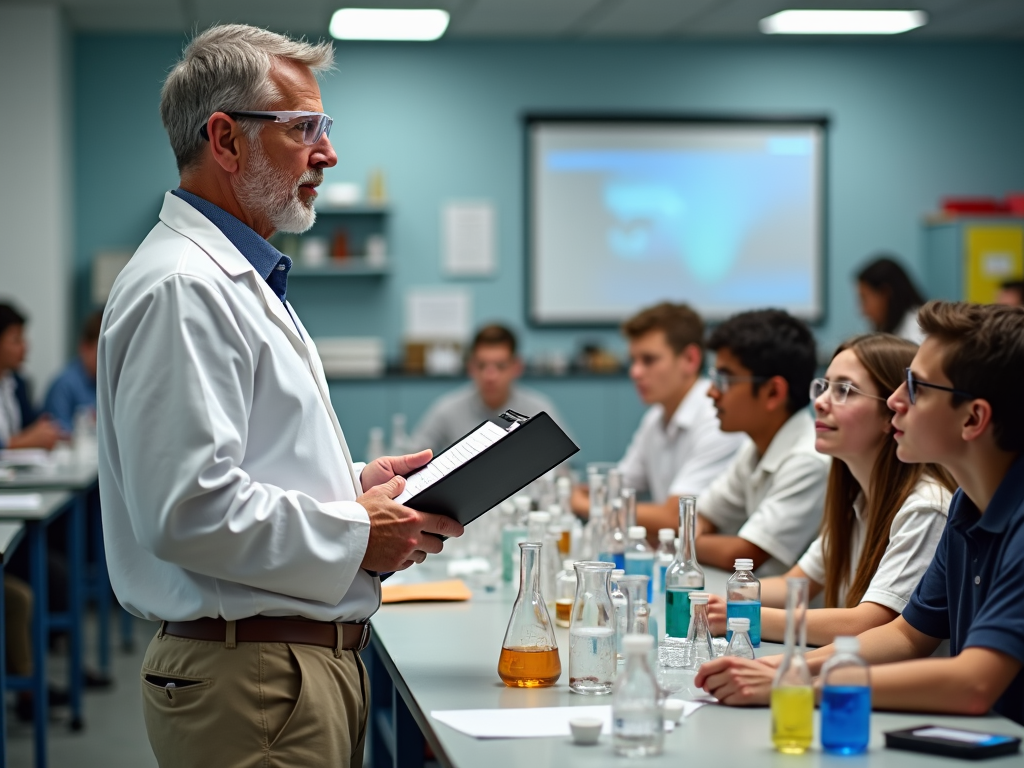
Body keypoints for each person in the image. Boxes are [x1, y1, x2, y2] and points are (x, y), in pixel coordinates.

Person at [97, 25, 463, 768]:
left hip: (276, 672)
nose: (327, 153)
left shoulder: (230, 275)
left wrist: (350, 488)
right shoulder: (185, 286)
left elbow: (241, 465)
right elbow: (190, 509)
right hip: (255, 682)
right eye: (304, 129)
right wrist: (357, 533)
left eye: (324, 128)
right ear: (226, 140)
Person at [697, 301, 1024, 726]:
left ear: (974, 418)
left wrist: (800, 685)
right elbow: (904, 635)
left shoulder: (964, 510)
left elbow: (973, 684)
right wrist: (784, 669)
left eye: (917, 388)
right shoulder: (968, 505)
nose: (895, 401)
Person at [706, 334, 955, 645]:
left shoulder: (926, 507)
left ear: (892, 411)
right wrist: (715, 599)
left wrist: (740, 615)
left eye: (844, 390)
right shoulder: (857, 500)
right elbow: (793, 585)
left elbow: (868, 624)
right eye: (823, 387)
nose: (820, 402)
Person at [569, 302, 745, 535]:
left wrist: (585, 504)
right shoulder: (655, 417)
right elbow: (616, 488)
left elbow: (679, 517)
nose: (635, 372)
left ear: (690, 359)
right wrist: (586, 493)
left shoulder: (718, 417)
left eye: (649, 360)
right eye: (633, 360)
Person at [693, 309, 829, 575]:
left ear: (773, 392)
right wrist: (693, 539)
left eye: (725, 380)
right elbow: (705, 516)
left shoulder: (809, 459)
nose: (711, 392)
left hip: (797, 614)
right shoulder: (755, 447)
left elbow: (742, 555)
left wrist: (684, 544)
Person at [409, 324, 565, 453]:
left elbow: (564, 465)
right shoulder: (447, 410)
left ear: (516, 367)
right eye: (482, 365)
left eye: (500, 366)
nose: (490, 376)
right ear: (471, 367)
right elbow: (412, 457)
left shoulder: (539, 410)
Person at [0, 303, 63, 450]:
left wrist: (45, 430)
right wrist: (22, 441)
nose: (24, 347)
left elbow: (29, 427)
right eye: (16, 340)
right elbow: (24, 439)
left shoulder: (17, 383)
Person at [43, 310, 103, 433]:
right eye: (102, 352)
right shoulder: (64, 385)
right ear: (84, 347)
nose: (108, 361)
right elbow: (60, 435)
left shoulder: (112, 383)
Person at [856, 255, 927, 343]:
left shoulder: (919, 330)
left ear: (884, 294)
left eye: (864, 299)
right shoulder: (884, 327)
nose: (863, 311)